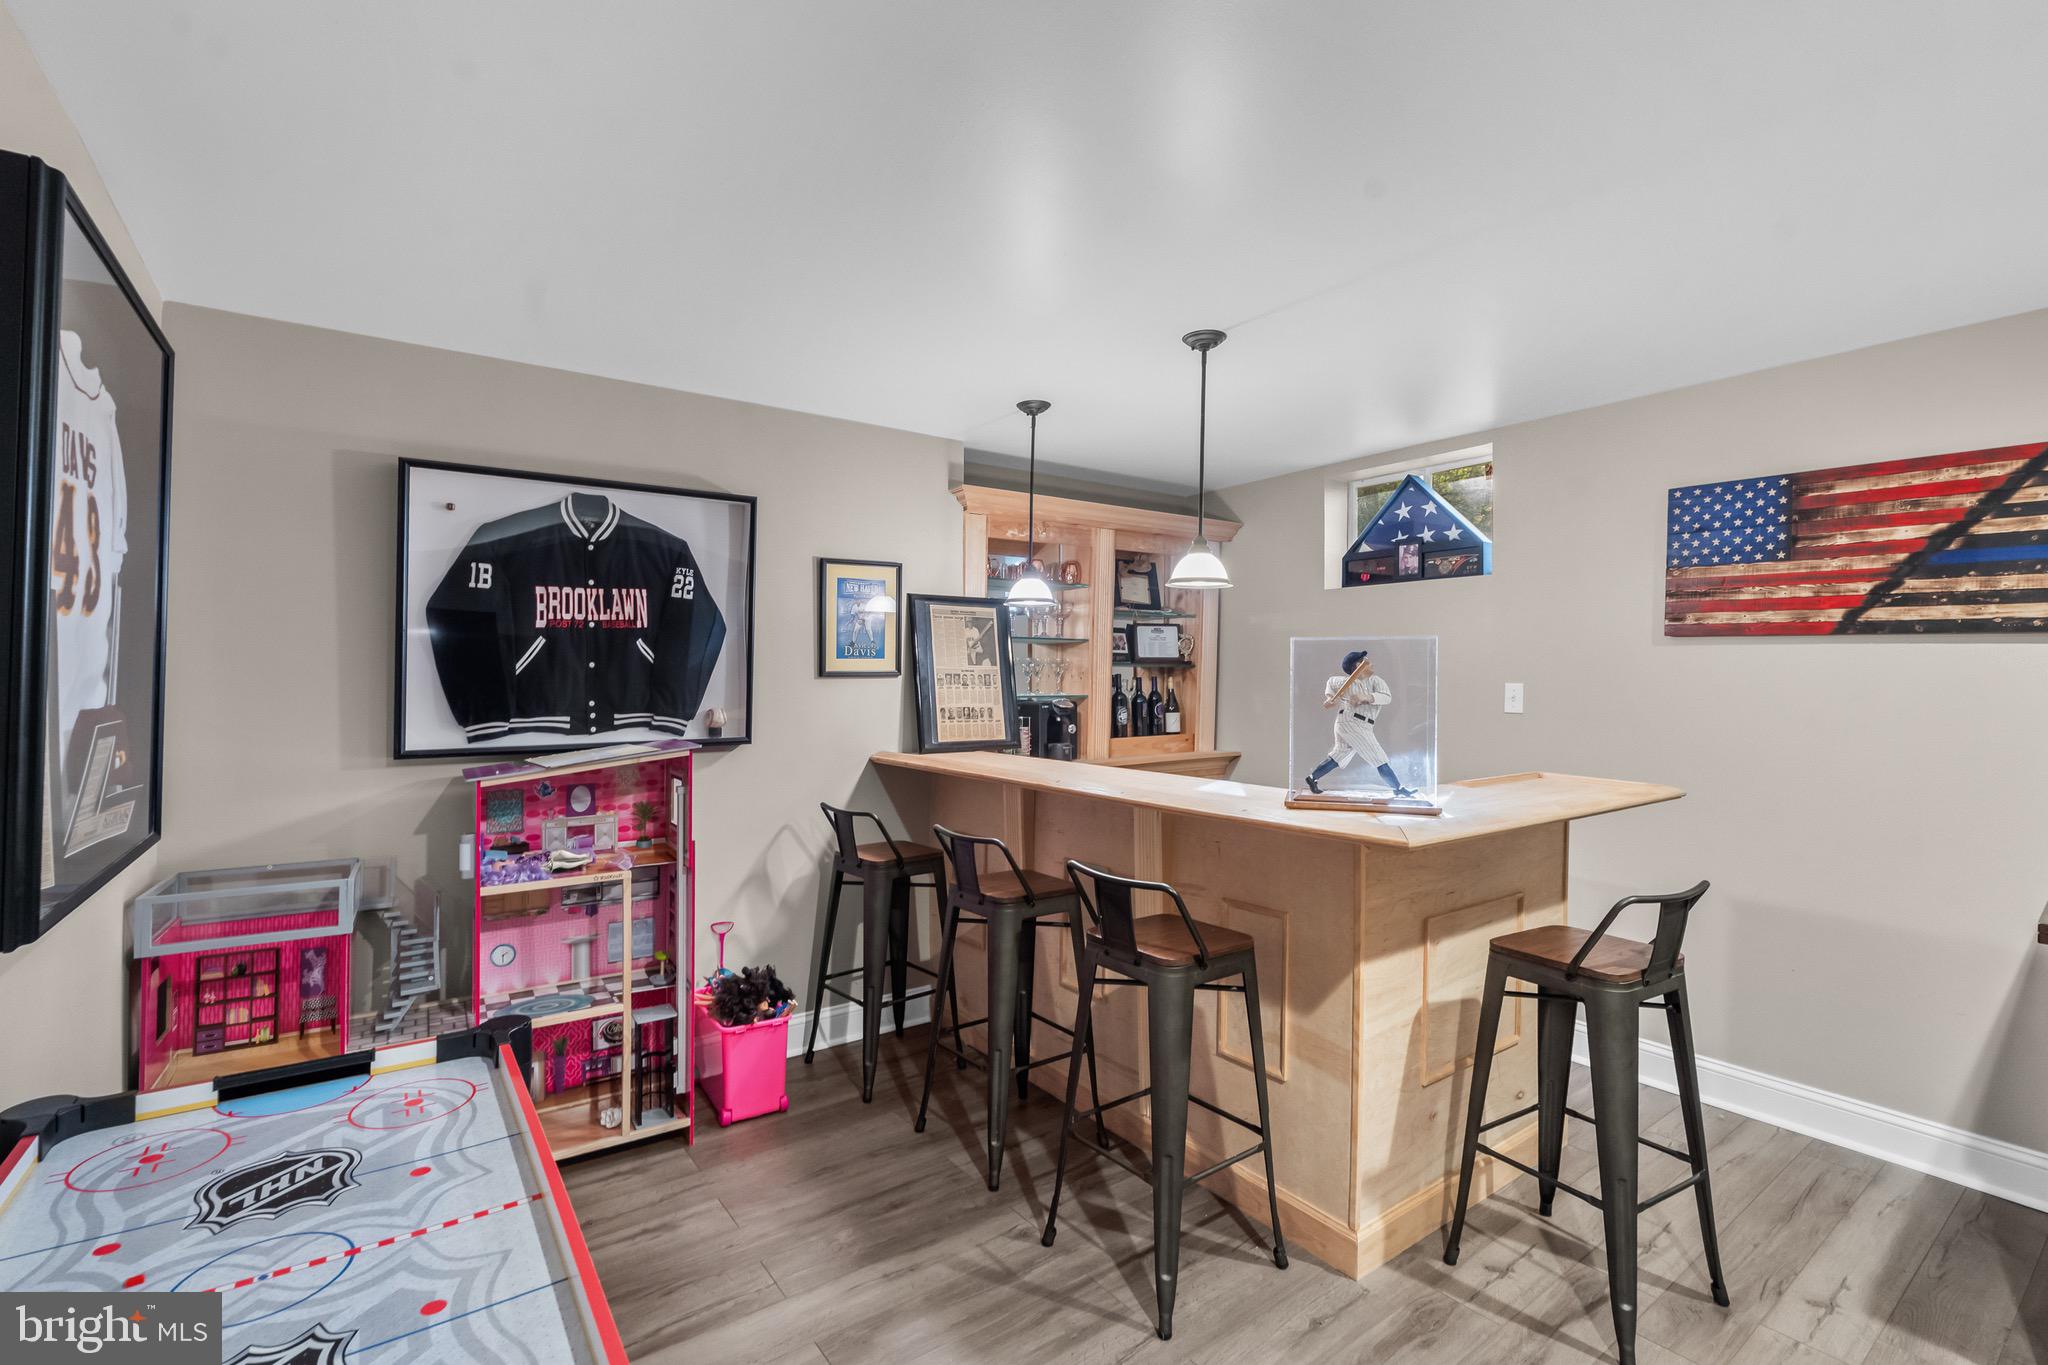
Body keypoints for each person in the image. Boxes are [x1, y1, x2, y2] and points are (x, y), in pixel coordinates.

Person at [1304, 648, 1413, 796]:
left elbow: (1387, 697)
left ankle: (1312, 778)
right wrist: (1330, 698)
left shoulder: (1376, 681)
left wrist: (1367, 697)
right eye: (1364, 662)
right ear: (1356, 667)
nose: (1370, 663)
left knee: (1338, 756)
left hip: (1362, 725)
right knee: (1379, 758)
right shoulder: (1342, 682)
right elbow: (1331, 685)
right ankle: (1398, 789)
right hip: (1351, 723)